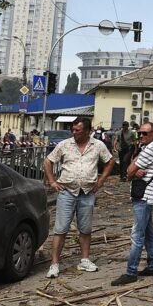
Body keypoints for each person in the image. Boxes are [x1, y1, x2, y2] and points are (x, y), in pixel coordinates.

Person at [44, 117, 114, 278]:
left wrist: (101, 180)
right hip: (67, 191)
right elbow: (48, 161)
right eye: (73, 130)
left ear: (88, 131)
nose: (74, 133)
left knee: (85, 228)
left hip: (87, 192)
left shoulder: (98, 146)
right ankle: (54, 264)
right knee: (60, 229)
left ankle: (84, 259)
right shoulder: (64, 145)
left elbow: (110, 161)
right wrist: (52, 181)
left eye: (78, 130)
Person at [111, 122, 153, 285]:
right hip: (148, 196)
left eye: (145, 133)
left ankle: (131, 272)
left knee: (137, 235)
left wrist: (133, 172)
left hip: (144, 197)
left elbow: (128, 171)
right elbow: (132, 168)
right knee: (148, 233)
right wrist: (133, 171)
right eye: (140, 133)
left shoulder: (151, 149)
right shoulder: (148, 148)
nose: (141, 136)